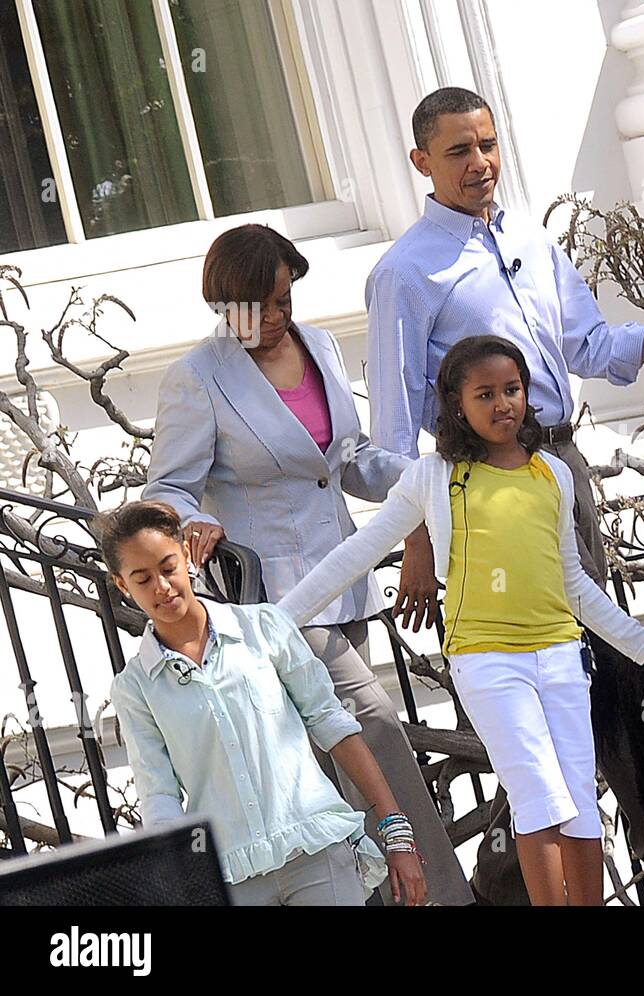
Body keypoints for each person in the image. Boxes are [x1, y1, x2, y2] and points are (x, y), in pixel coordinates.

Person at [366, 85, 644, 902]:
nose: (480, 163)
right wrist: (419, 540)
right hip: (481, 498)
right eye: (458, 150)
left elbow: (589, 343)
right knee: (563, 690)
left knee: (609, 672)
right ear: (421, 162)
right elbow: (394, 432)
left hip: (562, 474)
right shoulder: (405, 273)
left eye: (487, 144)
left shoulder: (530, 235)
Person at [280, 336, 644, 905]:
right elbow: (359, 551)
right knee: (538, 797)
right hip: (488, 661)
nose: (503, 404)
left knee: (578, 798)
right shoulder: (434, 476)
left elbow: (573, 582)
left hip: (562, 655)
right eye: (486, 394)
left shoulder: (553, 475)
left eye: (512, 390)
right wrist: (277, 620)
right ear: (456, 403)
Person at [142, 224, 472, 904]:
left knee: (329, 765)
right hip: (277, 602)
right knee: (372, 728)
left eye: (283, 301)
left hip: (347, 584)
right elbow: (167, 488)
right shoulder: (196, 378)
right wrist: (193, 518)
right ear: (221, 303)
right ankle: (440, 897)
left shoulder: (319, 344)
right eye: (255, 307)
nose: (272, 319)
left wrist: (422, 476)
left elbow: (347, 462)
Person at [102, 500, 426, 906]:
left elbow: (334, 726)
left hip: (316, 851)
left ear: (186, 555)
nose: (162, 587)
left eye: (168, 568)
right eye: (143, 579)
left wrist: (397, 834)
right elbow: (160, 795)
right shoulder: (135, 689)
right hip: (231, 877)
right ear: (121, 585)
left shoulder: (264, 628)